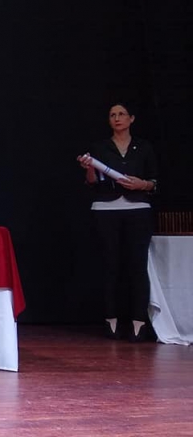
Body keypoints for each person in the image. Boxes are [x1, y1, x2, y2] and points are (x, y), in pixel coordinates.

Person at [77, 102, 158, 343]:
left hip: (138, 209)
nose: (117, 118)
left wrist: (142, 184)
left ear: (131, 118)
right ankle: (110, 319)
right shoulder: (100, 148)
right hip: (105, 209)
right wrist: (88, 169)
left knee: (137, 265)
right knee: (110, 265)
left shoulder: (144, 147)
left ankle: (138, 321)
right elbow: (92, 182)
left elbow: (155, 181)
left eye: (121, 114)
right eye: (112, 115)